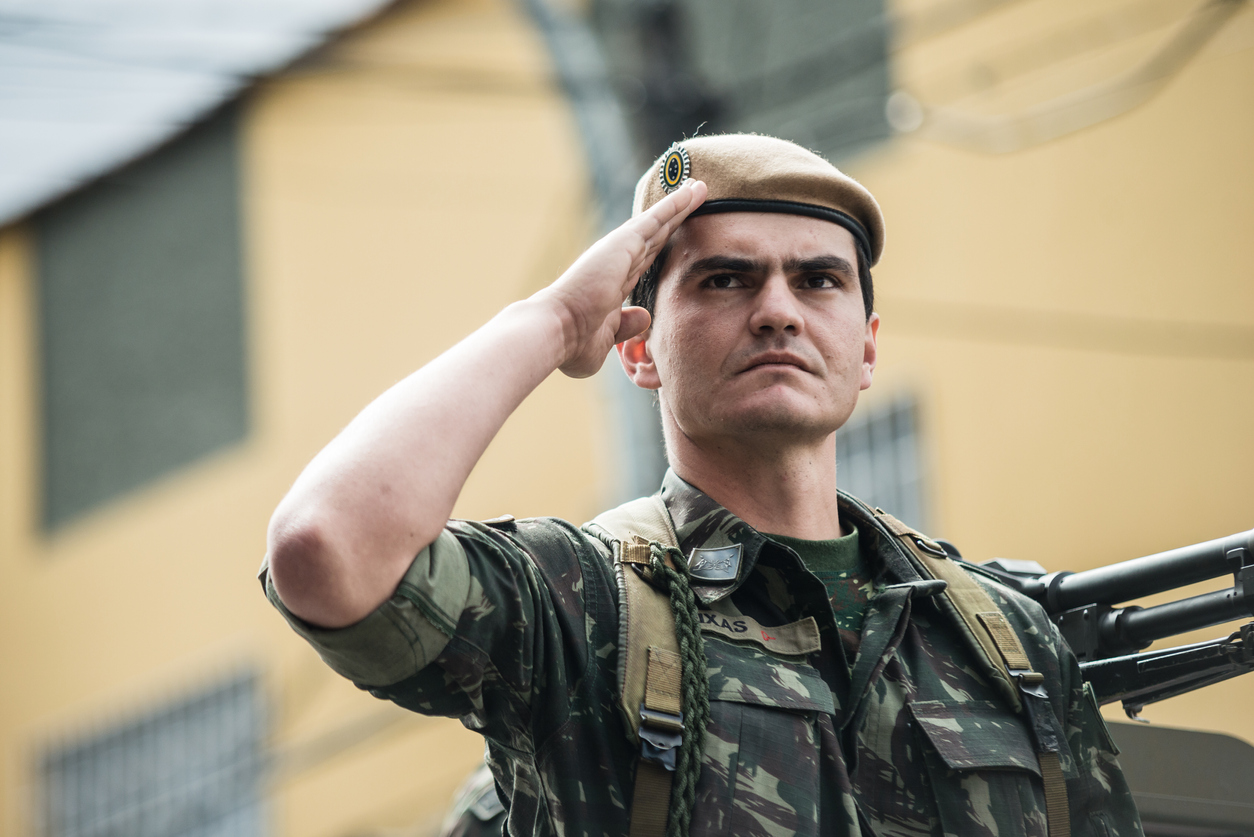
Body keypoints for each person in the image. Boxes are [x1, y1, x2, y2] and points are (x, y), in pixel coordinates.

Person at [260, 134, 1142, 836]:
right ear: (638, 347)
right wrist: (558, 319)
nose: (778, 309)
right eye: (725, 279)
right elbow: (327, 545)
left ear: (866, 345)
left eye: (819, 279)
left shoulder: (999, 637)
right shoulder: (583, 602)